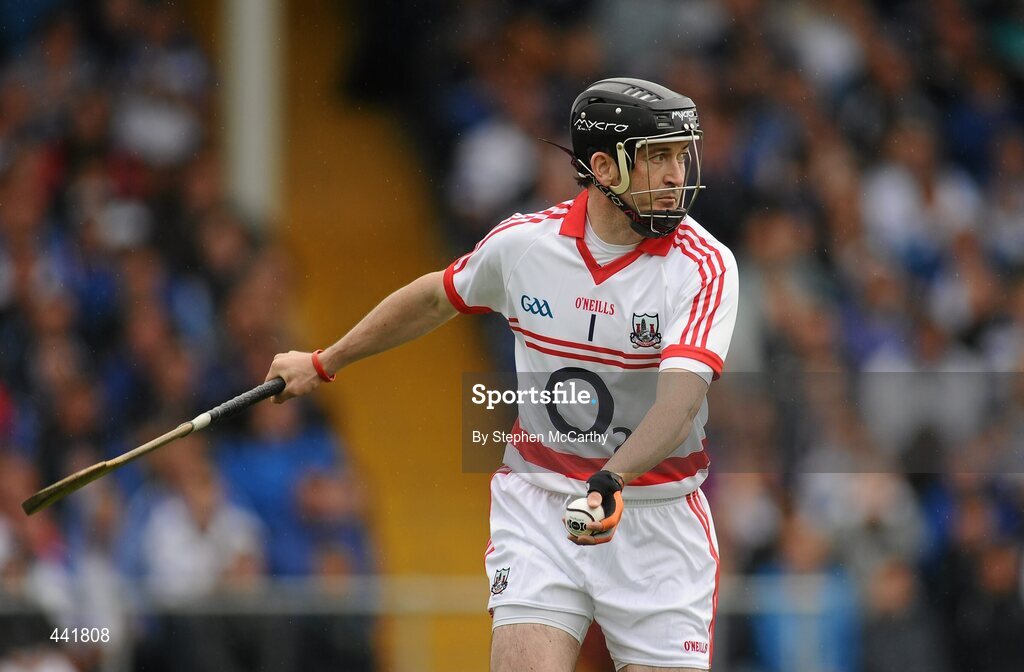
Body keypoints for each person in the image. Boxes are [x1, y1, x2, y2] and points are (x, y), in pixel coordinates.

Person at [266, 77, 738, 671]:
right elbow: (436, 298)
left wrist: (610, 482)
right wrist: (322, 360)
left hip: (658, 524)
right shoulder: (524, 246)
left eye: (679, 155)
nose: (676, 175)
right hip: (540, 507)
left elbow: (681, 402)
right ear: (603, 166)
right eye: (657, 157)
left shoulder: (705, 265)